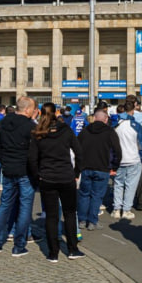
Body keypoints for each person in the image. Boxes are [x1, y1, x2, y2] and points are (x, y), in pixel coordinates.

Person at [29, 103, 85, 262]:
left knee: (51, 217)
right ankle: (73, 249)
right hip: (66, 176)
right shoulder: (65, 130)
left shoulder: (38, 132)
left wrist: (37, 175)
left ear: (40, 113)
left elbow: (32, 158)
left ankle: (53, 253)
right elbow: (79, 152)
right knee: (69, 214)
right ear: (56, 113)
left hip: (47, 177)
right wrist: (76, 173)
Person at [0, 97, 37, 257]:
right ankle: (19, 245)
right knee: (25, 207)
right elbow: (33, 153)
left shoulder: (3, 122)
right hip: (24, 171)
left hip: (8, 169)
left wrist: (5, 161)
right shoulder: (30, 126)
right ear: (28, 109)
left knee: (4, 205)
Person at [77, 107, 121, 232]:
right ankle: (92, 221)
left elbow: (77, 149)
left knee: (84, 194)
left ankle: (82, 220)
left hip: (86, 167)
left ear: (95, 118)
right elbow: (117, 150)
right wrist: (115, 166)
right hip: (103, 168)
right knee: (97, 196)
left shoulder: (85, 131)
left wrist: (78, 166)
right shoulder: (110, 132)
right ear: (106, 119)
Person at [111, 101, 142, 219]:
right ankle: (126, 210)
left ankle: (116, 209)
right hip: (133, 158)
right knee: (131, 185)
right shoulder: (136, 126)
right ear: (133, 111)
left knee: (118, 184)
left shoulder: (116, 125)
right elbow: (141, 144)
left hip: (119, 159)